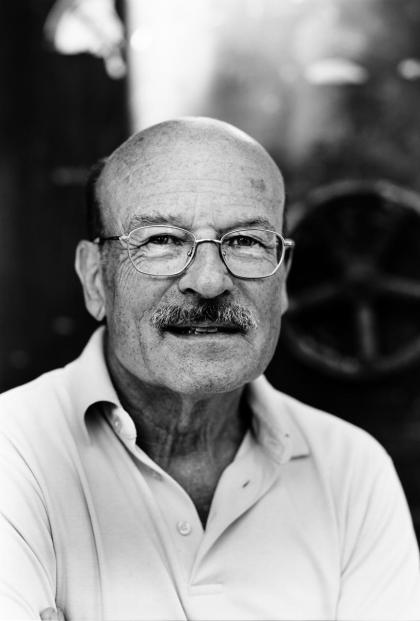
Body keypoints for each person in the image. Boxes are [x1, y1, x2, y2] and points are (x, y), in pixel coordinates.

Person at [0, 117, 419, 621]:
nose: (208, 280)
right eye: (161, 239)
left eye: (245, 241)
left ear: (283, 281)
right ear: (95, 279)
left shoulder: (352, 470)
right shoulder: (14, 450)